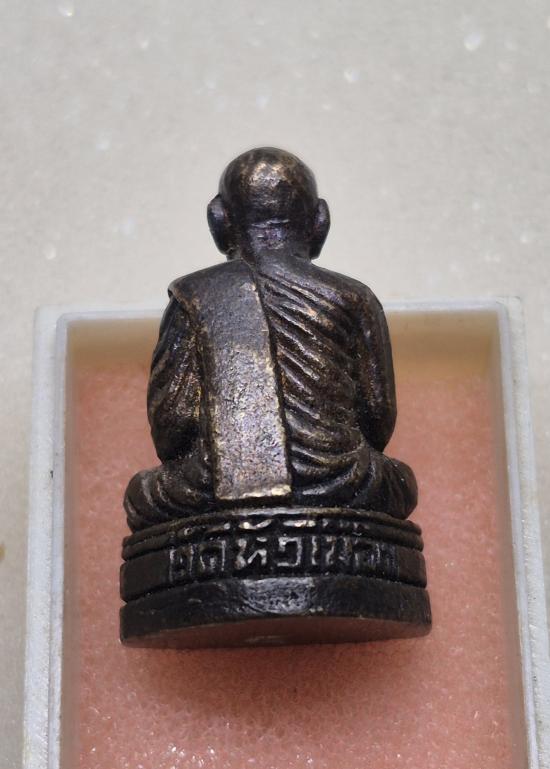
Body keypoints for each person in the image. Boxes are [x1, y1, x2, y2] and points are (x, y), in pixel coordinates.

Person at [124, 147, 417, 532]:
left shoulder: (194, 297)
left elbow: (173, 428)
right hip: (341, 482)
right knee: (397, 482)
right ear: (321, 220)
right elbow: (377, 420)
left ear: (217, 218)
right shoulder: (352, 297)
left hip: (215, 488)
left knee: (144, 493)